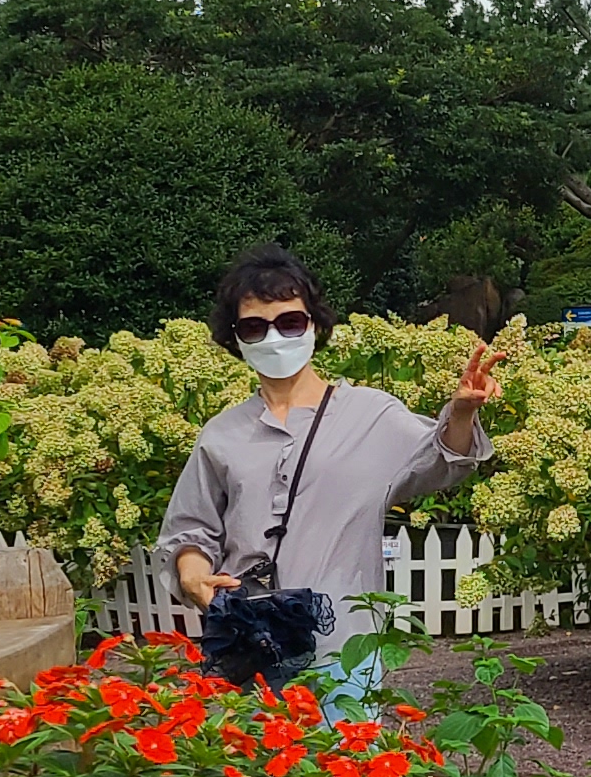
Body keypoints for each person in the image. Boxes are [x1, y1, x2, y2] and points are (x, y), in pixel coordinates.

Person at [160, 244, 503, 699]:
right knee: (251, 746)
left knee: (344, 745)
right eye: (255, 327)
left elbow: (444, 459)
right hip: (249, 645)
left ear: (315, 325)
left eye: (289, 322)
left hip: (346, 649)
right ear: (235, 338)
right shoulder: (221, 434)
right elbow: (191, 528)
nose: (274, 337)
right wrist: (193, 576)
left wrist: (461, 413)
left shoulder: (371, 414)